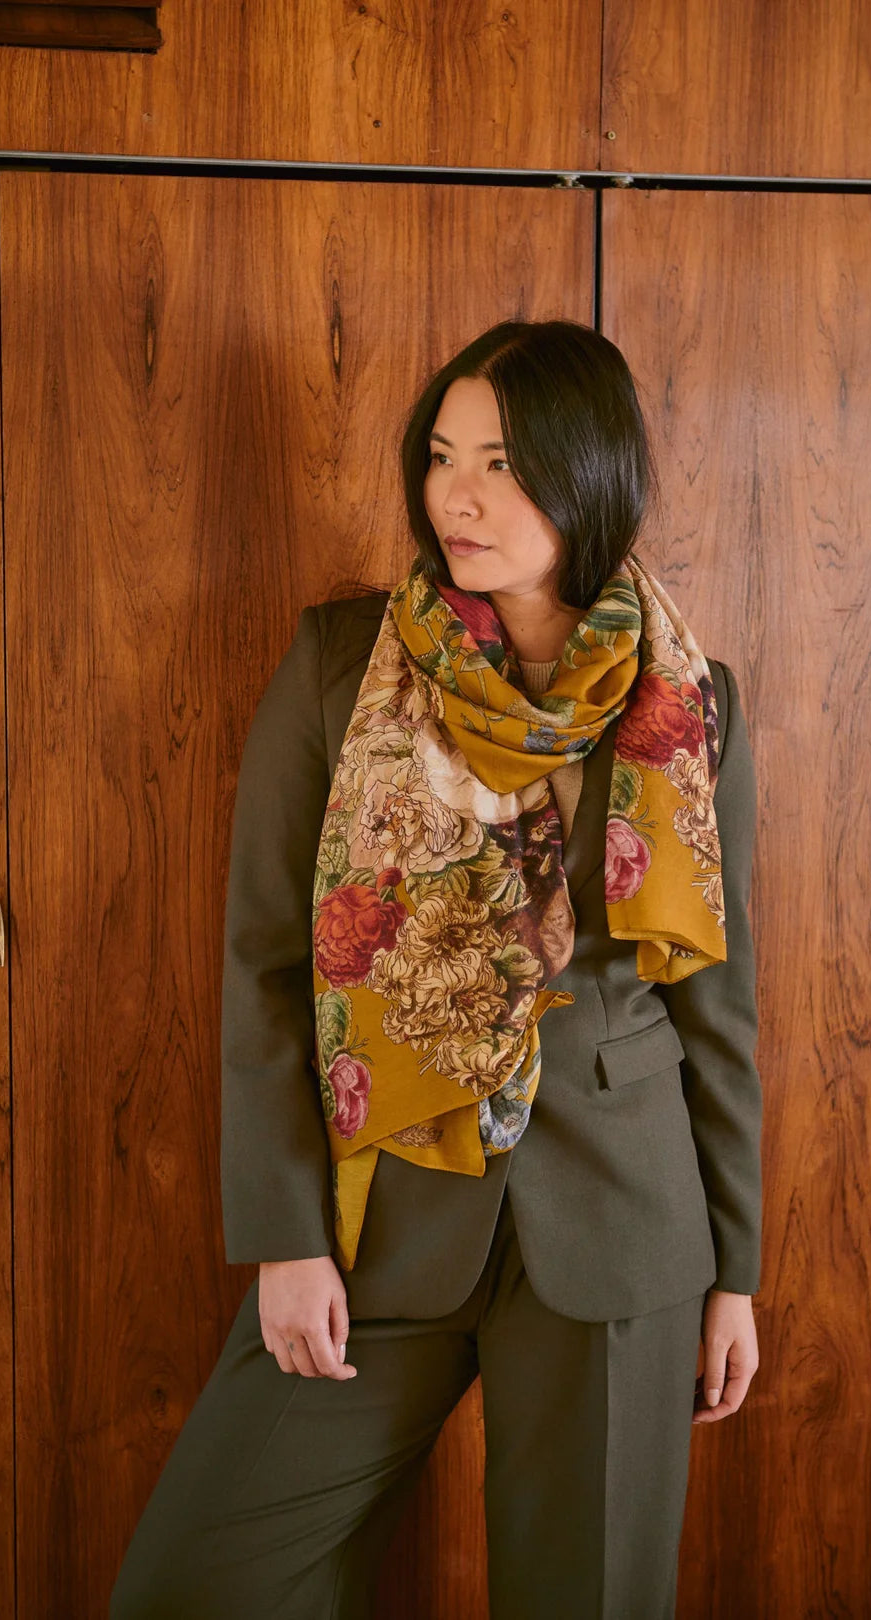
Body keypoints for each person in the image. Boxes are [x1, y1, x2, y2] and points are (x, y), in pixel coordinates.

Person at [110, 319, 762, 1620]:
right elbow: (267, 964)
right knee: (198, 1580)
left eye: (501, 464)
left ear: (588, 475)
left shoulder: (691, 699)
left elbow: (717, 1007)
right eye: (443, 457)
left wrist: (736, 1269)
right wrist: (285, 1238)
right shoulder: (342, 664)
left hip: (622, 1223)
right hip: (384, 1218)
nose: (457, 495)